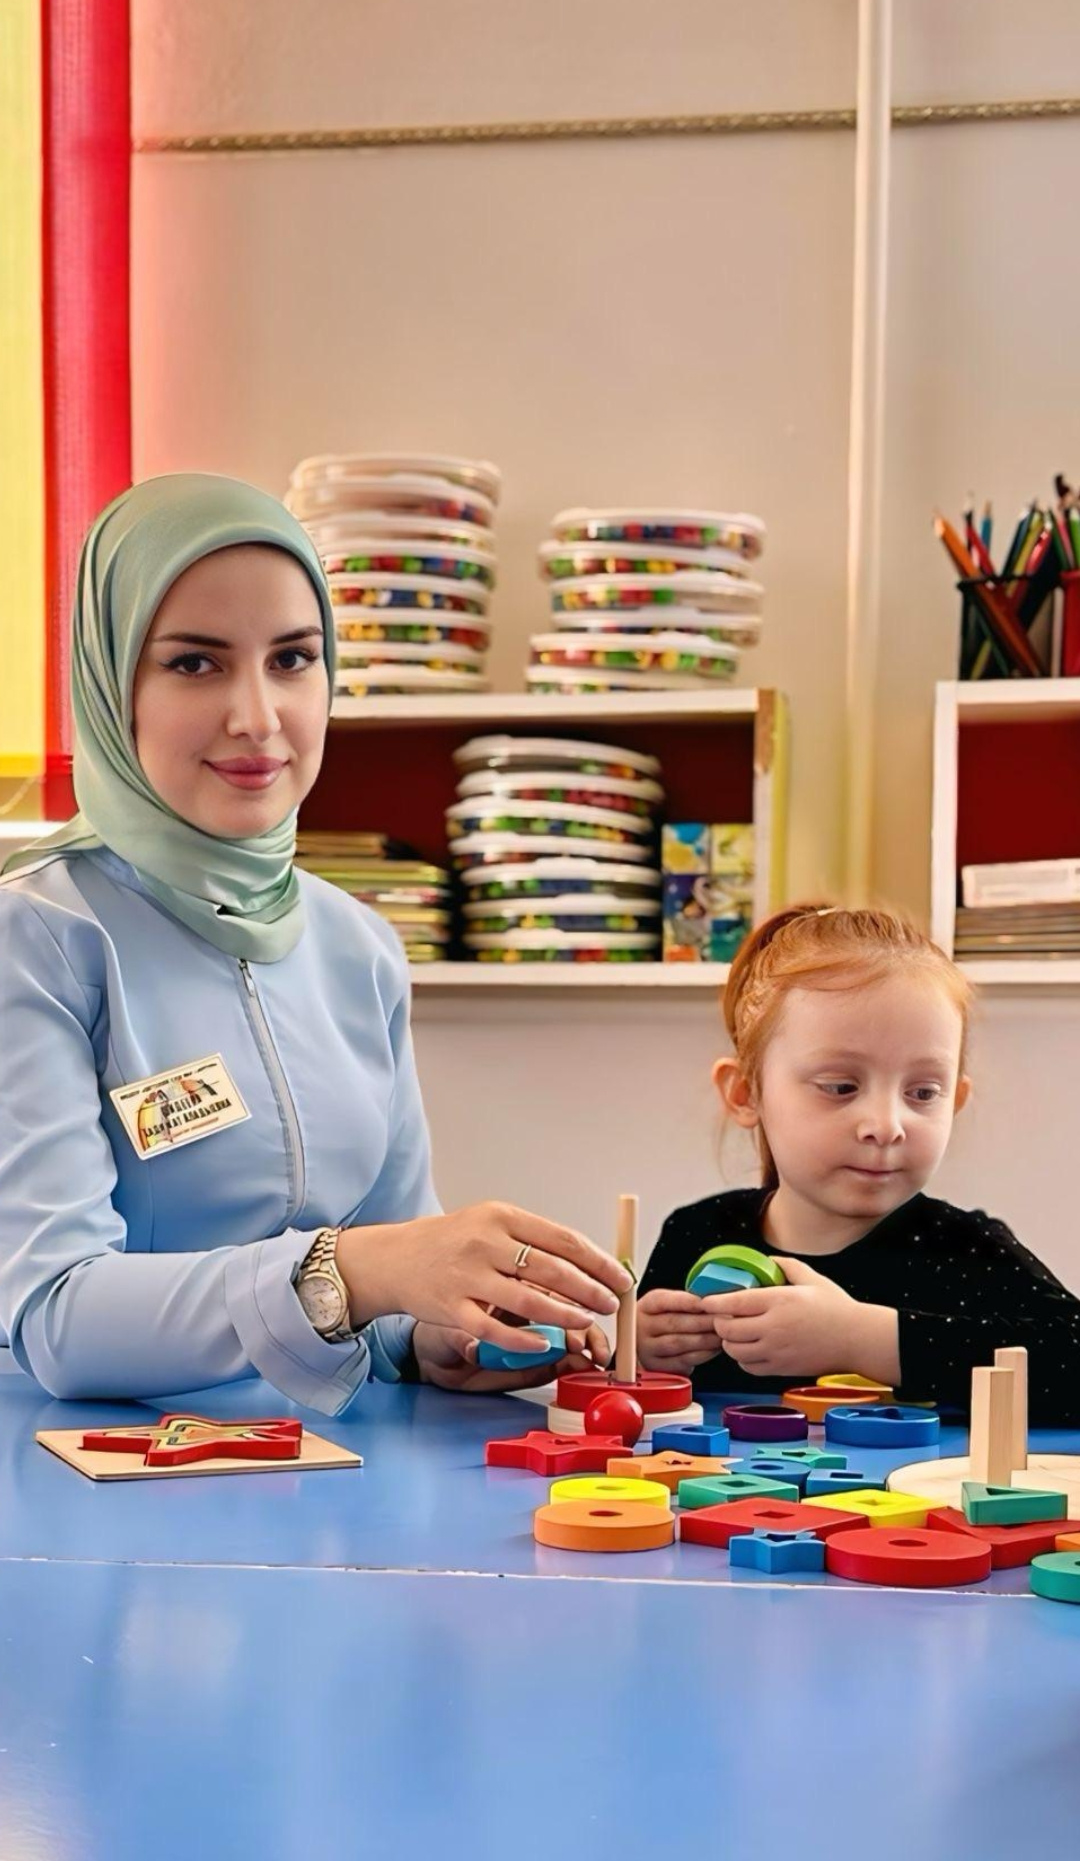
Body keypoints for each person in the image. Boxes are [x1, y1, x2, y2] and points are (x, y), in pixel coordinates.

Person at [0, 473, 629, 1408]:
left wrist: (446, 1333)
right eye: (194, 663)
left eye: (293, 658)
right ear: (109, 683)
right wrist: (358, 1270)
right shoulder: (39, 935)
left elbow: (387, 1273)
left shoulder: (358, 947)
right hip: (83, 1480)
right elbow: (57, 1319)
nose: (258, 717)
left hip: (338, 1473)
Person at [637, 903, 1080, 1421]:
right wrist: (642, 1352)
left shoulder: (964, 1250)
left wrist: (860, 1338)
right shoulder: (696, 1233)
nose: (886, 1125)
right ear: (745, 1093)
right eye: (841, 1087)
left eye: (922, 1092)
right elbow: (625, 1404)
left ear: (955, 1101)